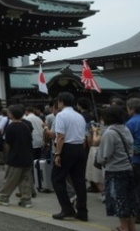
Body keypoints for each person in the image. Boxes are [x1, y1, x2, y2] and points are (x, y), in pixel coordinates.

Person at [96, 105, 140, 231]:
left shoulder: (109, 133)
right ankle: (132, 226)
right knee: (131, 198)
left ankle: (123, 227)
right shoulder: (125, 129)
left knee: (119, 199)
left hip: (115, 170)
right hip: (129, 168)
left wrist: (100, 161)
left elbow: (105, 155)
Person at [51, 92, 88, 222]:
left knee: (56, 179)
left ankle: (67, 209)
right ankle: (83, 211)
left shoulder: (61, 115)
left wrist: (57, 154)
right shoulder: (79, 116)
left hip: (67, 148)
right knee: (79, 181)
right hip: (80, 148)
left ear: (61, 102)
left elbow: (60, 136)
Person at [0, 105, 34, 208]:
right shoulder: (25, 126)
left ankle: (3, 197)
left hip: (15, 157)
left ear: (11, 114)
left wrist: (8, 155)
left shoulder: (11, 127)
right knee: (26, 179)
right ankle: (26, 200)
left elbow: (8, 144)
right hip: (27, 157)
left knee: (11, 178)